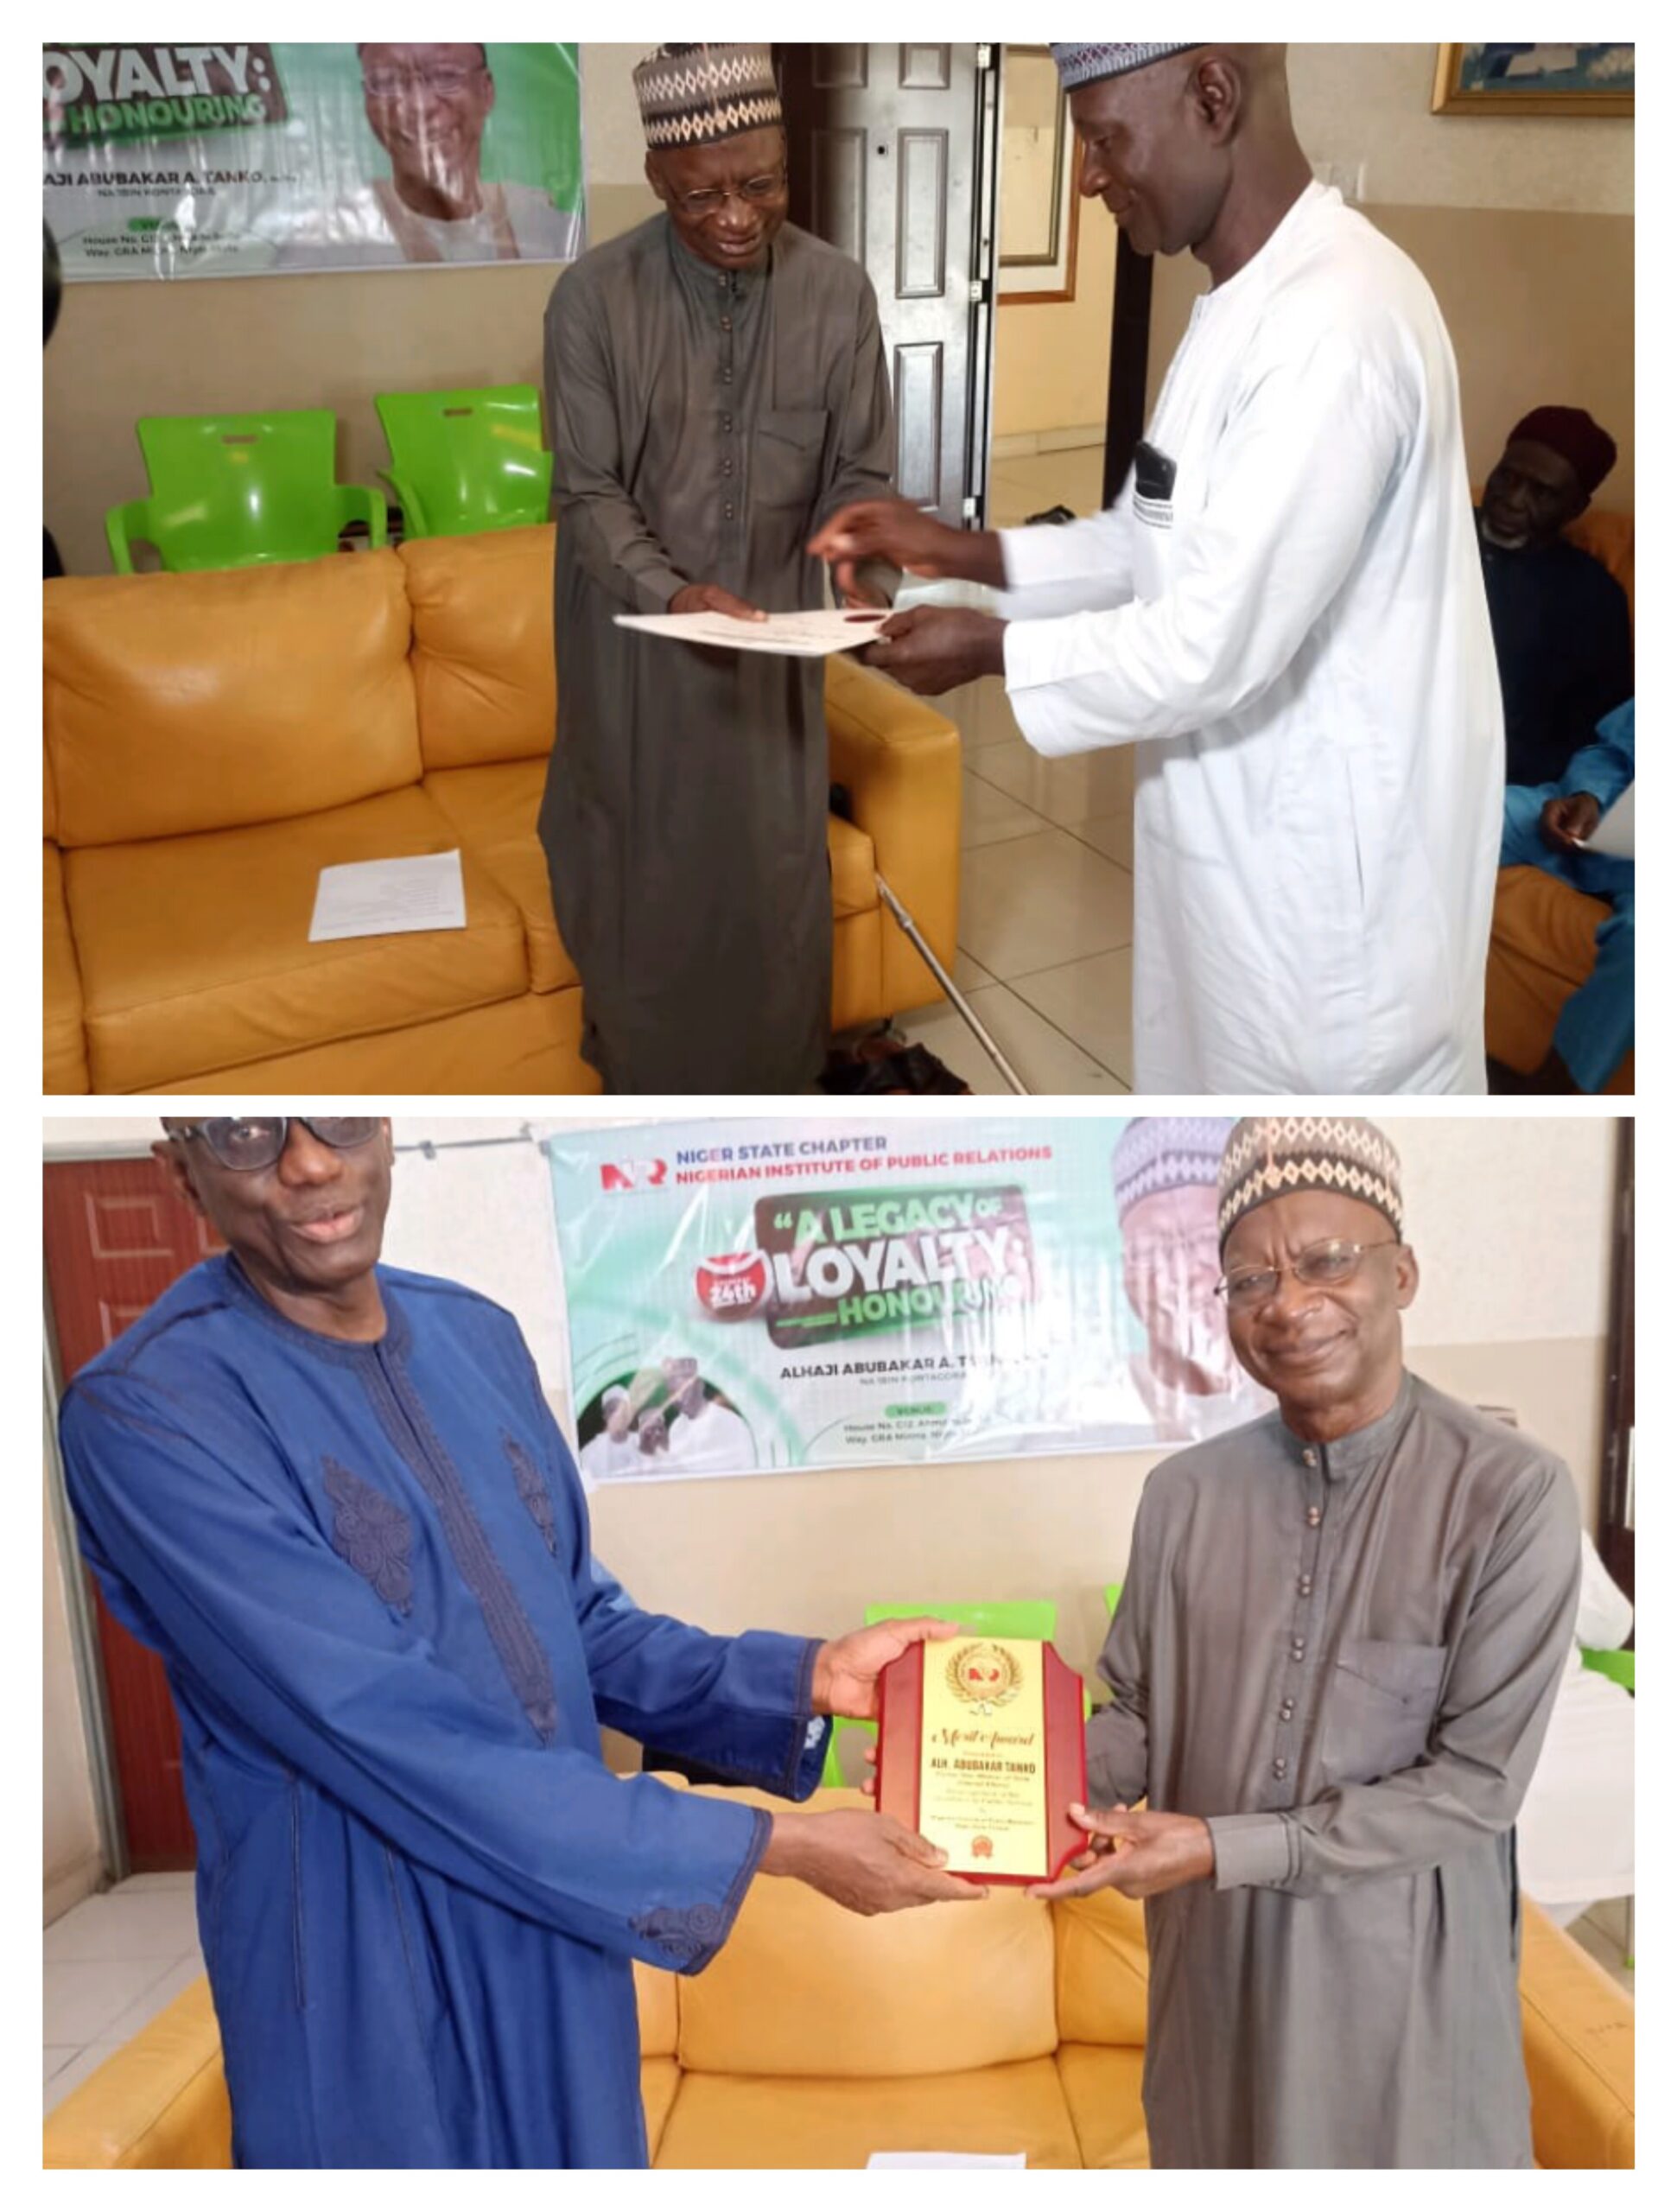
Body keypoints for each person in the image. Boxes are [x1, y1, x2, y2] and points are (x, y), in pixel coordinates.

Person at [58, 1116, 980, 2169]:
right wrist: (781, 1843)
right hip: (359, 1957)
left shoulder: (475, 1337)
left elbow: (572, 1621)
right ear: (180, 1170)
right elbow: (382, 1726)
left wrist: (805, 1675)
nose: (310, 1161)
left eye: (339, 1117)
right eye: (247, 1134)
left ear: (387, 1130)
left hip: (557, 1917)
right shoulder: (148, 1410)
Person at [812, 43, 1502, 1095]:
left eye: (1103, 137)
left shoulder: (1337, 321)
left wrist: (989, 648)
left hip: (1334, 927)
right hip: (1236, 873)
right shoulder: (1238, 303)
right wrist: (953, 552)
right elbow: (1148, 540)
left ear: (1212, 97)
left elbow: (1208, 642)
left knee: (1311, 1159)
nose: (1088, 177)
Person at [1026, 1116, 1580, 2167]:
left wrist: (1219, 1846)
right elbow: (1137, 1711)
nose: (1286, 1303)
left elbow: (1474, 1786)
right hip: (1215, 1985)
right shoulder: (1183, 1495)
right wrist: (998, 1781)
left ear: (1401, 1272)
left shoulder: (1509, 1493)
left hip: (1400, 2004)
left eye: (1326, 1260)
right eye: (1250, 1279)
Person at [537, 44, 898, 1094]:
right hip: (636, 662)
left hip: (767, 667)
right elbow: (589, 494)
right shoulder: (592, 300)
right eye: (703, 197)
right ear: (658, 179)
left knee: (771, 890)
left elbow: (860, 470)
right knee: (642, 891)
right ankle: (647, 1102)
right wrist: (676, 594)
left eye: (763, 185)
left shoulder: (837, 294)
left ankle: (776, 1106)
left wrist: (856, 568)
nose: (738, 217)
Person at [273, 43, 581, 270]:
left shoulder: (548, 229)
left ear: (486, 91)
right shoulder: (324, 245)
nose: (419, 107)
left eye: (445, 76)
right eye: (386, 82)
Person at [1477, 406, 1632, 789]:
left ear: (1575, 508)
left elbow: (1595, 733)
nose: (1513, 500)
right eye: (1507, 477)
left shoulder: (1593, 597)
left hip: (1506, 782)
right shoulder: (1430, 530)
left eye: (1540, 492)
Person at [1492, 696, 1634, 1093]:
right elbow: (1612, 752)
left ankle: (1551, 1093)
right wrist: (1588, 795)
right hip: (1604, 818)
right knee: (1459, 820)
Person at [1112, 1116, 1271, 1441]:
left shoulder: (1307, 1394)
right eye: (1153, 1249)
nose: (1185, 1274)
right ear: (1124, 1270)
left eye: (1205, 1239)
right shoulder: (1101, 1411)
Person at [663, 1356, 757, 1473]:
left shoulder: (730, 1422)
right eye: (673, 1392)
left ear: (699, 1385)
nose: (679, 1398)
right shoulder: (676, 1428)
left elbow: (748, 1469)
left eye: (684, 1390)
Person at [576, 1383, 642, 1480]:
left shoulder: (643, 1443)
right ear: (605, 1416)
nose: (618, 1415)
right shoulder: (590, 1451)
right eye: (612, 1410)